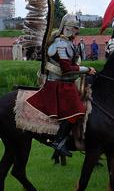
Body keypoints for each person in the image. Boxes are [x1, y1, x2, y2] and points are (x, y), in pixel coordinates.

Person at [26, 14, 96, 158]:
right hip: (58, 84)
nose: (78, 32)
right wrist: (87, 69)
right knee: (77, 109)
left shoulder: (66, 43)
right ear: (69, 29)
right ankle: (59, 141)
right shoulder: (61, 44)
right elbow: (67, 69)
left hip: (65, 83)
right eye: (76, 29)